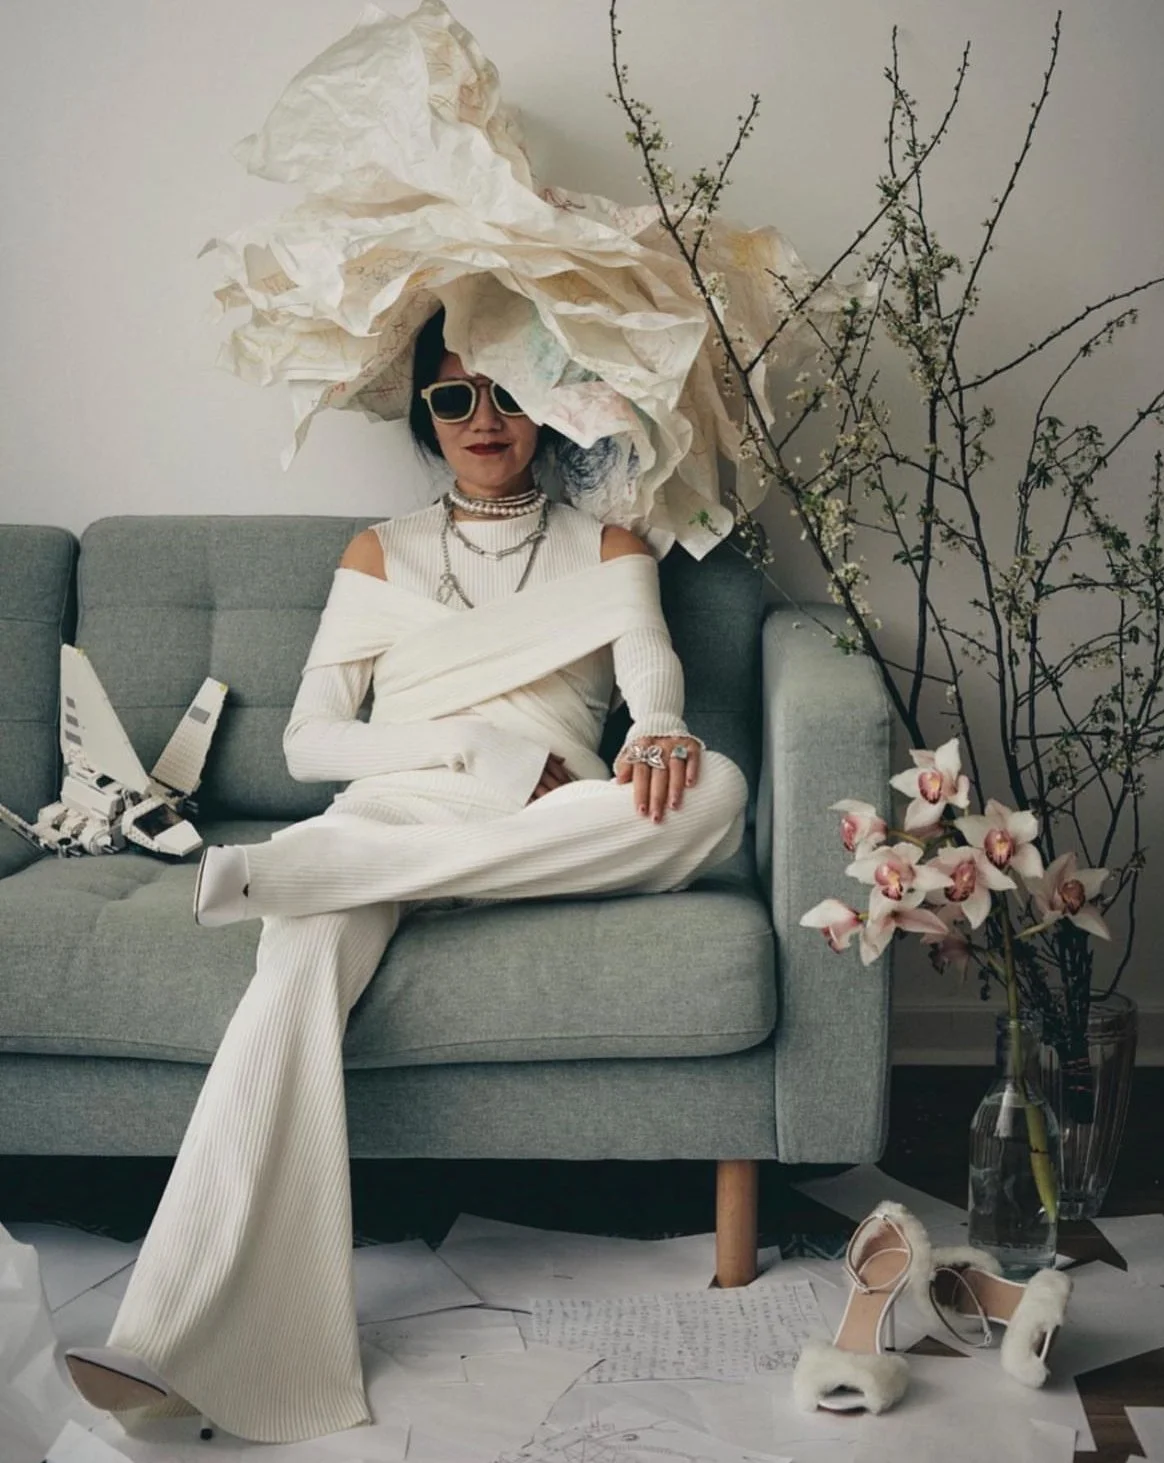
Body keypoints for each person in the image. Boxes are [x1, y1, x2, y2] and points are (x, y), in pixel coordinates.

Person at [64, 310, 749, 1444]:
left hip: (551, 829)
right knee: (294, 972)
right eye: (453, 397)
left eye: (507, 392)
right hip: (404, 810)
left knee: (715, 789)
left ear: (549, 407)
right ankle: (167, 1339)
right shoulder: (380, 551)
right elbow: (311, 744)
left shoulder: (612, 545)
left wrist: (661, 731)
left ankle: (317, 872)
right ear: (426, 416)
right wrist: (477, 751)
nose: (483, 419)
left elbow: (652, 686)